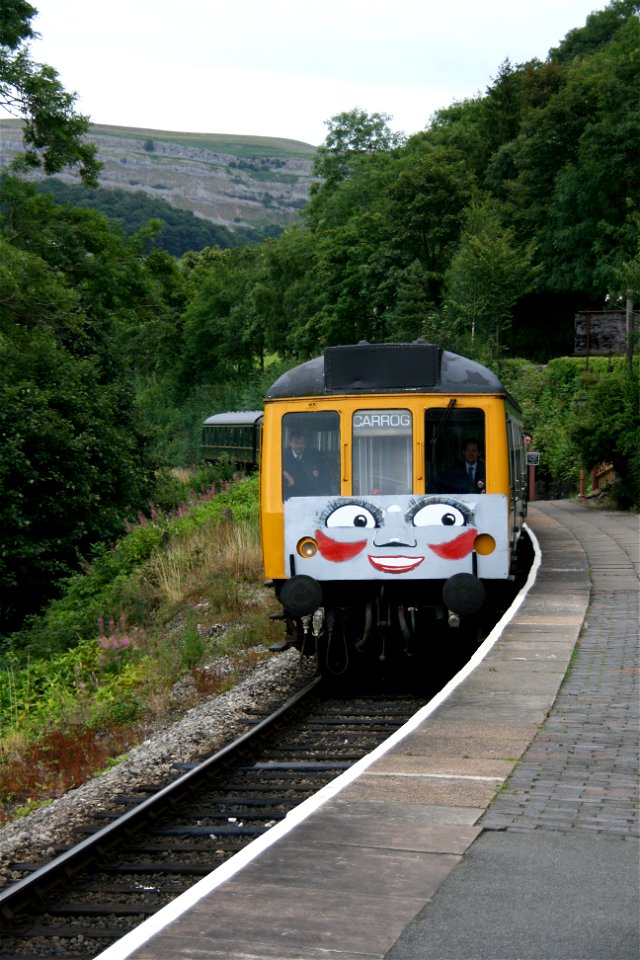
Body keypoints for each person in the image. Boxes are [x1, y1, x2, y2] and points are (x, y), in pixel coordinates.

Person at [282, 431, 329, 498]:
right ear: (290, 443)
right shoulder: (282, 456)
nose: (299, 446)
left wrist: (325, 493)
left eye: (302, 443)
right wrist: (287, 478)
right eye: (296, 443)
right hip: (291, 496)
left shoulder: (314, 454)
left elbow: (325, 474)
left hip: (312, 495)